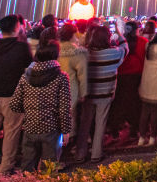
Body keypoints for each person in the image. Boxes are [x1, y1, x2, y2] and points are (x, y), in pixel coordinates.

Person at [0, 14, 33, 174]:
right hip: (13, 94)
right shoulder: (21, 47)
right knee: (11, 131)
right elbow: (29, 68)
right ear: (17, 27)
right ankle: (5, 167)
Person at [9, 40, 72, 171]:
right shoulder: (61, 77)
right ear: (56, 55)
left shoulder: (25, 76)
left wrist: (30, 110)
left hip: (30, 128)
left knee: (27, 168)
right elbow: (64, 107)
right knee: (48, 170)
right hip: (52, 129)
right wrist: (66, 130)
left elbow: (14, 104)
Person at [76, 23, 128, 162]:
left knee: (85, 123)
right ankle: (96, 153)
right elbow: (125, 48)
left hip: (88, 93)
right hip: (105, 93)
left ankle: (80, 153)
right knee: (101, 123)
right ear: (108, 38)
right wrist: (120, 34)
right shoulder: (114, 53)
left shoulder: (85, 53)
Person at [110, 20, 145, 143]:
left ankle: (115, 130)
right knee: (135, 103)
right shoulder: (143, 42)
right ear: (137, 30)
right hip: (136, 76)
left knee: (119, 102)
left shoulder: (118, 42)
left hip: (120, 75)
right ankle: (134, 130)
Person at [57, 23, 88, 147]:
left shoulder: (55, 48)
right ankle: (68, 146)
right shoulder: (77, 52)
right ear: (73, 35)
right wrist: (83, 93)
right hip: (71, 89)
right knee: (71, 118)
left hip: (55, 89)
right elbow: (82, 75)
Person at [138, 32, 157, 146]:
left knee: (144, 112)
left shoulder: (148, 46)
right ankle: (152, 138)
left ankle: (141, 137)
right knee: (155, 113)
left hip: (146, 83)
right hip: (156, 84)